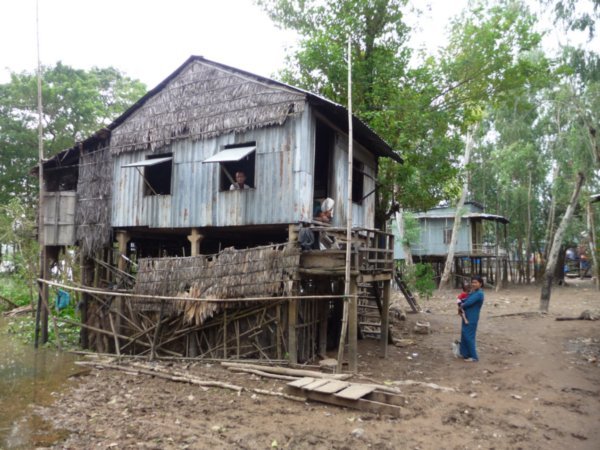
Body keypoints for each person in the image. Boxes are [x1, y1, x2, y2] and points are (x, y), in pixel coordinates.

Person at [459, 275, 485, 362]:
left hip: (472, 317)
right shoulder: (473, 292)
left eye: (475, 282)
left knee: (469, 335)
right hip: (466, 316)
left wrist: (461, 305)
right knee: (464, 334)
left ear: (480, 284)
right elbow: (465, 299)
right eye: (472, 282)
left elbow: (468, 302)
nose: (473, 284)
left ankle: (474, 357)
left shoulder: (479, 294)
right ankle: (465, 354)